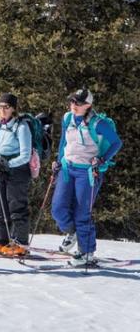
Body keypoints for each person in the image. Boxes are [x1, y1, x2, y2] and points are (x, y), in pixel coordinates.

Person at [50, 88, 122, 266]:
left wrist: (102, 159)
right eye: (72, 101)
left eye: (79, 103)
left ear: (88, 105)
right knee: (58, 209)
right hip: (67, 168)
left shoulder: (98, 123)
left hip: (87, 172)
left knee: (82, 212)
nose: (74, 105)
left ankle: (86, 252)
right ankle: (71, 232)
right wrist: (58, 161)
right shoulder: (67, 118)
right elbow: (63, 142)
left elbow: (116, 142)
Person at [0, 93, 32, 256]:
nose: (2, 110)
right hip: (0, 168)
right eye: (0, 107)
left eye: (6, 107)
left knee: (16, 206)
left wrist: (8, 165)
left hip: (17, 170)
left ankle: (20, 242)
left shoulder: (22, 126)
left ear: (13, 109)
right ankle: (1, 240)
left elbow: (25, 155)